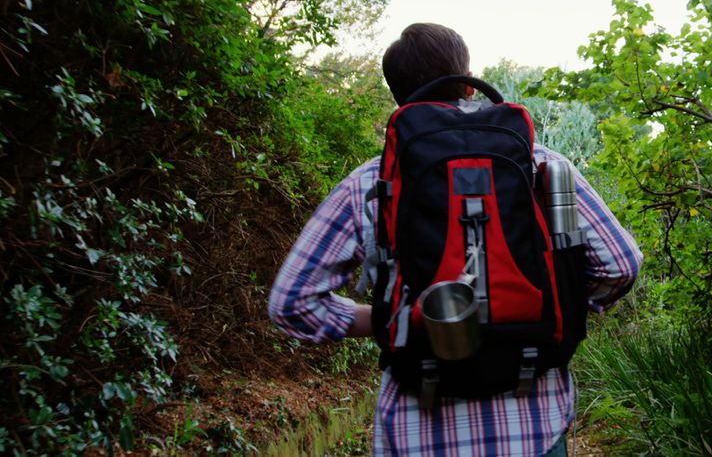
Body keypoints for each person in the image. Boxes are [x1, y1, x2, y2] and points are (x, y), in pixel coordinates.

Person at [268, 23, 642, 456]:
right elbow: (621, 264)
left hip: (418, 433)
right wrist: (550, 302)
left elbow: (291, 303)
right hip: (534, 427)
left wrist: (392, 318)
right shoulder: (541, 166)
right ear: (466, 85)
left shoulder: (371, 183)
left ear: (399, 99)